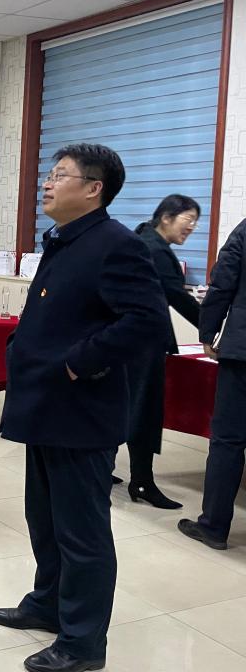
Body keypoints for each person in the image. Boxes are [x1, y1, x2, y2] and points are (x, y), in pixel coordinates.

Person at [0, 144, 168, 672]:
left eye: (60, 175)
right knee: (44, 520)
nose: (47, 182)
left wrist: (77, 363)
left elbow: (146, 322)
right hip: (45, 406)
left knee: (81, 533)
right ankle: (48, 603)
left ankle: (83, 643)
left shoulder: (117, 245)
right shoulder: (65, 239)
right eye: (49, 173)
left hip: (80, 412)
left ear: (94, 188)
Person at [119, 195, 201, 509]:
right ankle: (142, 482)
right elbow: (178, 297)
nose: (191, 227)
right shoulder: (156, 250)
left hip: (127, 339)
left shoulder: (141, 238)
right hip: (142, 344)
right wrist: (214, 329)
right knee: (143, 412)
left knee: (122, 405)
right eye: (188, 219)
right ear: (166, 217)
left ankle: (102, 469)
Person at [179, 217, 246, 551]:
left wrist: (208, 331)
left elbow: (222, 284)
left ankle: (214, 527)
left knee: (228, 441)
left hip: (243, 352)